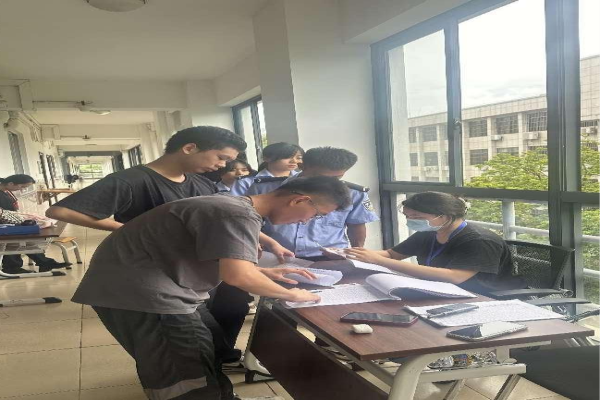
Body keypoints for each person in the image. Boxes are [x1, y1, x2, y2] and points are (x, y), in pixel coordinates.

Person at [71, 176, 351, 400]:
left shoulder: (231, 206)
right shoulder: (237, 214)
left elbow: (220, 257)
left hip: (145, 287)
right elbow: (237, 276)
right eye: (316, 214)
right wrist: (294, 294)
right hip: (146, 297)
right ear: (300, 199)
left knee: (210, 348)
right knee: (183, 372)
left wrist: (265, 271)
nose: (306, 221)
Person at [344, 191, 525, 296]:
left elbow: (455, 276)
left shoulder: (479, 240)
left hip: (483, 296)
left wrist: (379, 260)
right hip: (441, 289)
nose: (411, 221)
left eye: (417, 217)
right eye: (408, 216)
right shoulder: (430, 232)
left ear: (444, 216)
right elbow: (392, 254)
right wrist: (348, 253)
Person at [247, 146, 380, 260]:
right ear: (302, 166)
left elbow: (356, 225)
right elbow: (249, 219)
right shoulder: (265, 188)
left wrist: (356, 255)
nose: (327, 183)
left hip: (328, 257)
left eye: (336, 177)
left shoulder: (354, 193)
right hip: (276, 255)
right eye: (321, 177)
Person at [0, 174, 70, 274]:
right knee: (15, 242)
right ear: (11, 183)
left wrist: (27, 217)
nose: (22, 190)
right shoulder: (2, 194)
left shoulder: (7, 192)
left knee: (24, 241)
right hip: (5, 226)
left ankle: (44, 263)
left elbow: (10, 212)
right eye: (22, 187)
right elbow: (4, 214)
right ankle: (12, 268)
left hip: (9, 224)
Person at [230, 142, 303, 196]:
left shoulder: (302, 178)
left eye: (299, 158)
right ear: (267, 158)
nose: (294, 161)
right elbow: (237, 206)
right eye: (287, 157)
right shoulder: (246, 181)